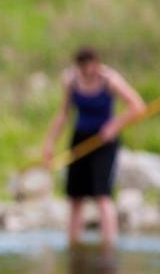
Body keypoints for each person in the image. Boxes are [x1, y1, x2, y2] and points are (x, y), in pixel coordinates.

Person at [41, 47, 146, 248]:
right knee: (75, 197)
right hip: (80, 139)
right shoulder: (71, 81)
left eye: (91, 68)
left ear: (96, 65)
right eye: (84, 69)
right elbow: (63, 114)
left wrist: (114, 126)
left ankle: (109, 244)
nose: (88, 72)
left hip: (104, 141)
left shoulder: (110, 79)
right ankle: (73, 244)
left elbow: (137, 106)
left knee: (102, 194)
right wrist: (49, 143)